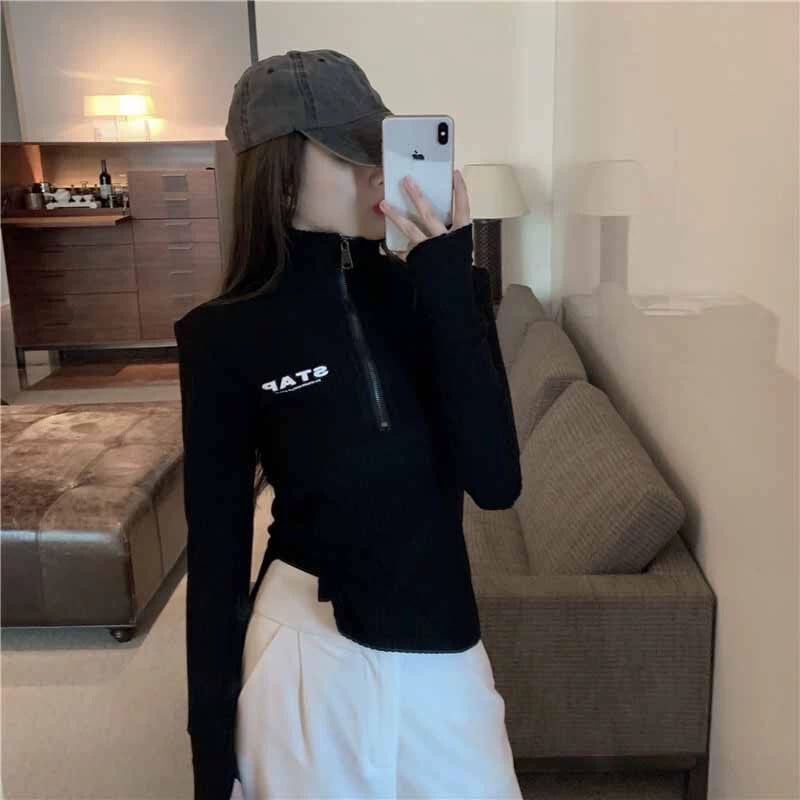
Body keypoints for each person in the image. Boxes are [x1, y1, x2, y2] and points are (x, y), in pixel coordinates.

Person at [175, 48, 523, 800]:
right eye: (349, 153)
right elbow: (217, 555)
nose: (377, 174)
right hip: (306, 652)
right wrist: (211, 754)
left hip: (443, 651)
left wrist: (451, 282)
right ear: (280, 174)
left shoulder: (432, 295)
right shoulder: (222, 336)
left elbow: (496, 482)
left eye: (379, 148)